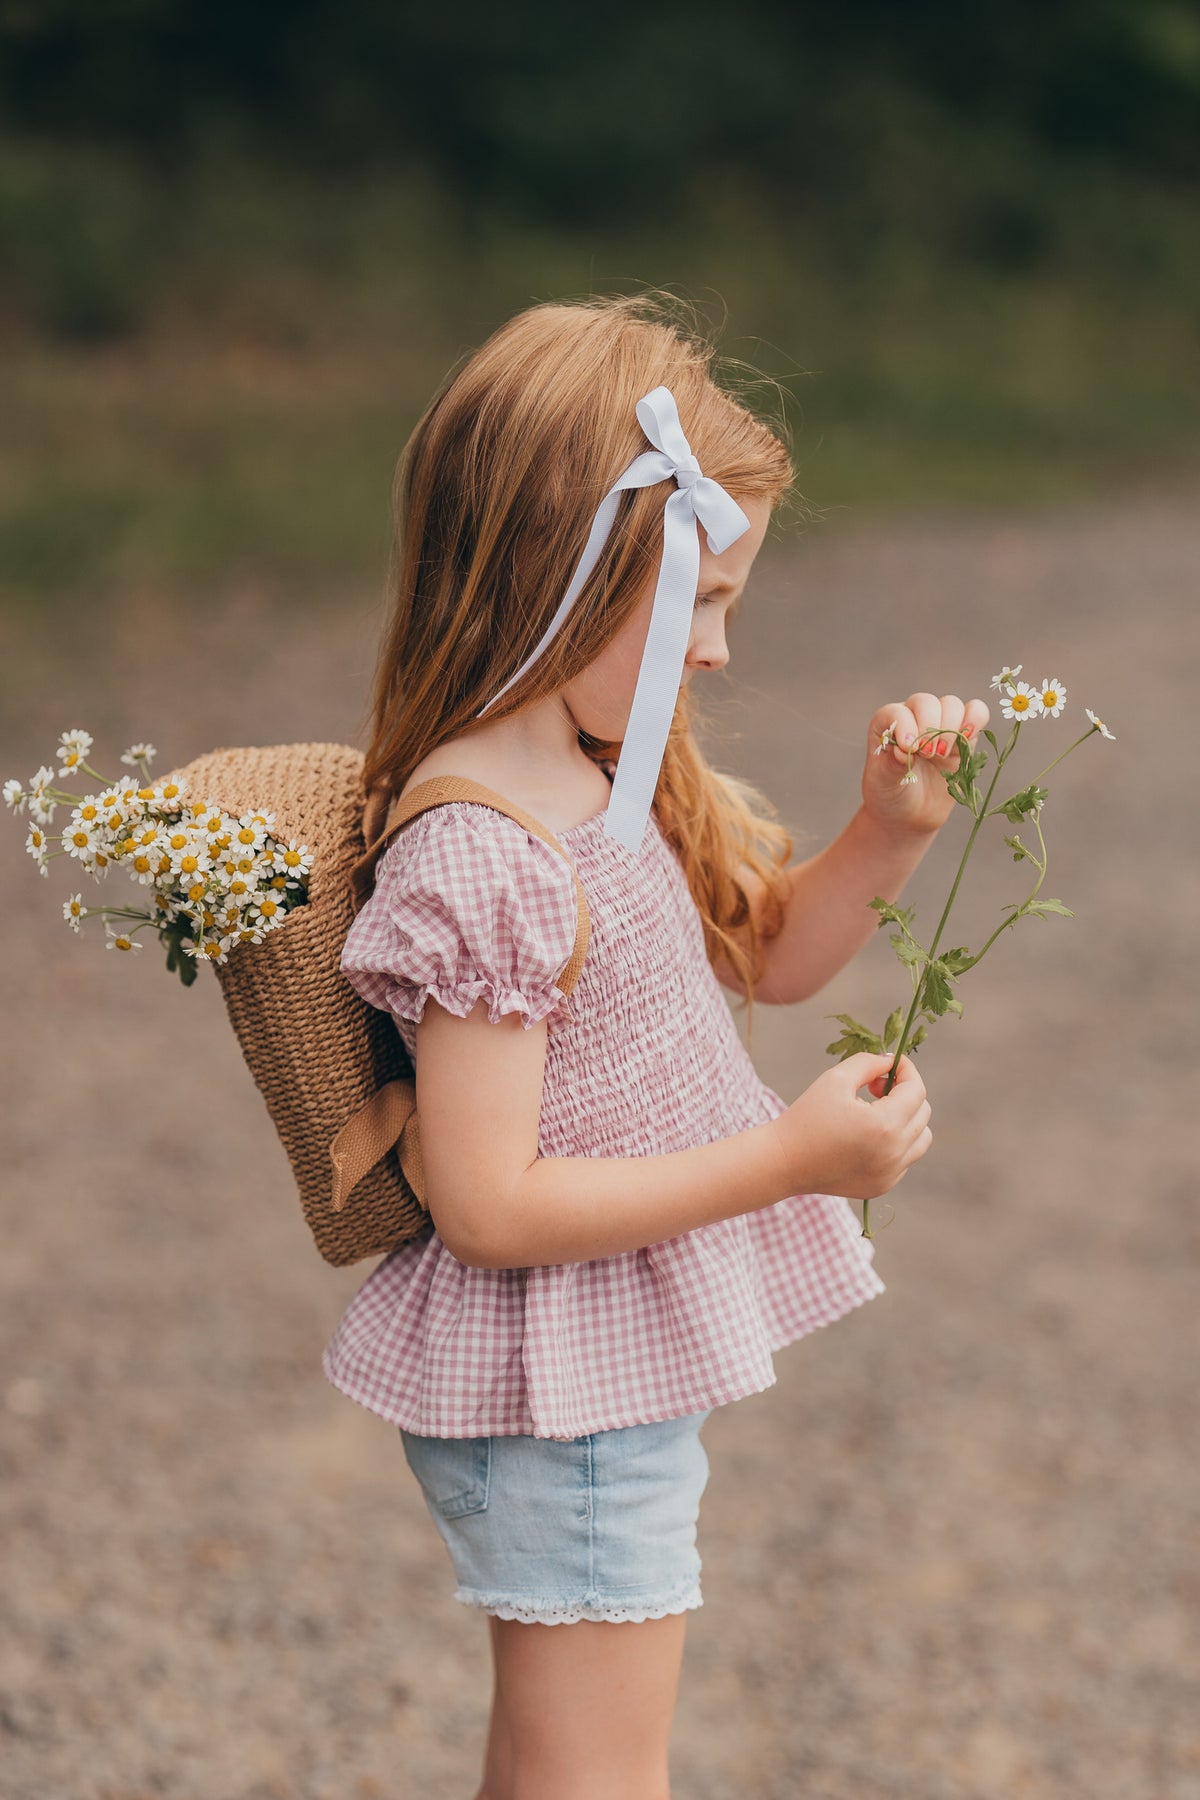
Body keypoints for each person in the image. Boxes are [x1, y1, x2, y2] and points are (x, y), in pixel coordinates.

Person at [323, 292, 990, 1800]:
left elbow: (765, 957)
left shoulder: (599, 767)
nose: (719, 649)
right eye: (698, 598)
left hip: (598, 1375)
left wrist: (885, 834)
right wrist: (790, 1160)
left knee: (560, 1767)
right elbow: (485, 1207)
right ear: (568, 573)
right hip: (560, 1395)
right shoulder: (484, 853)